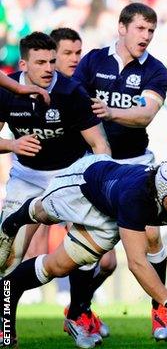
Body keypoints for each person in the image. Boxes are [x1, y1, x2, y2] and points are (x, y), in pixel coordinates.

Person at [0, 155, 167, 349]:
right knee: (43, 213)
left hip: (109, 213)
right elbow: (136, 263)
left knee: (57, 268)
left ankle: (6, 291)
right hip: (85, 183)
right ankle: (13, 220)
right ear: (161, 191)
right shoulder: (136, 197)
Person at [70, 2, 167, 340]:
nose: (146, 37)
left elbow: (145, 114)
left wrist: (109, 113)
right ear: (122, 27)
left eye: (151, 31)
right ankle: (79, 312)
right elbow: (74, 103)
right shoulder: (93, 61)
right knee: (94, 250)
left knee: (152, 235)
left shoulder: (155, 70)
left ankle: (160, 310)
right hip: (97, 164)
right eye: (141, 29)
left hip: (136, 162)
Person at [0, 31, 110, 275]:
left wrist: (101, 183)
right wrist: (12, 145)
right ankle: (5, 313)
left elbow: (99, 144)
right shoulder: (7, 90)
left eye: (51, 61)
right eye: (40, 62)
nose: (49, 68)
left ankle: (78, 310)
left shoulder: (72, 93)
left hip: (68, 176)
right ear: (23, 64)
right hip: (26, 177)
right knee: (7, 256)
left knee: (95, 256)